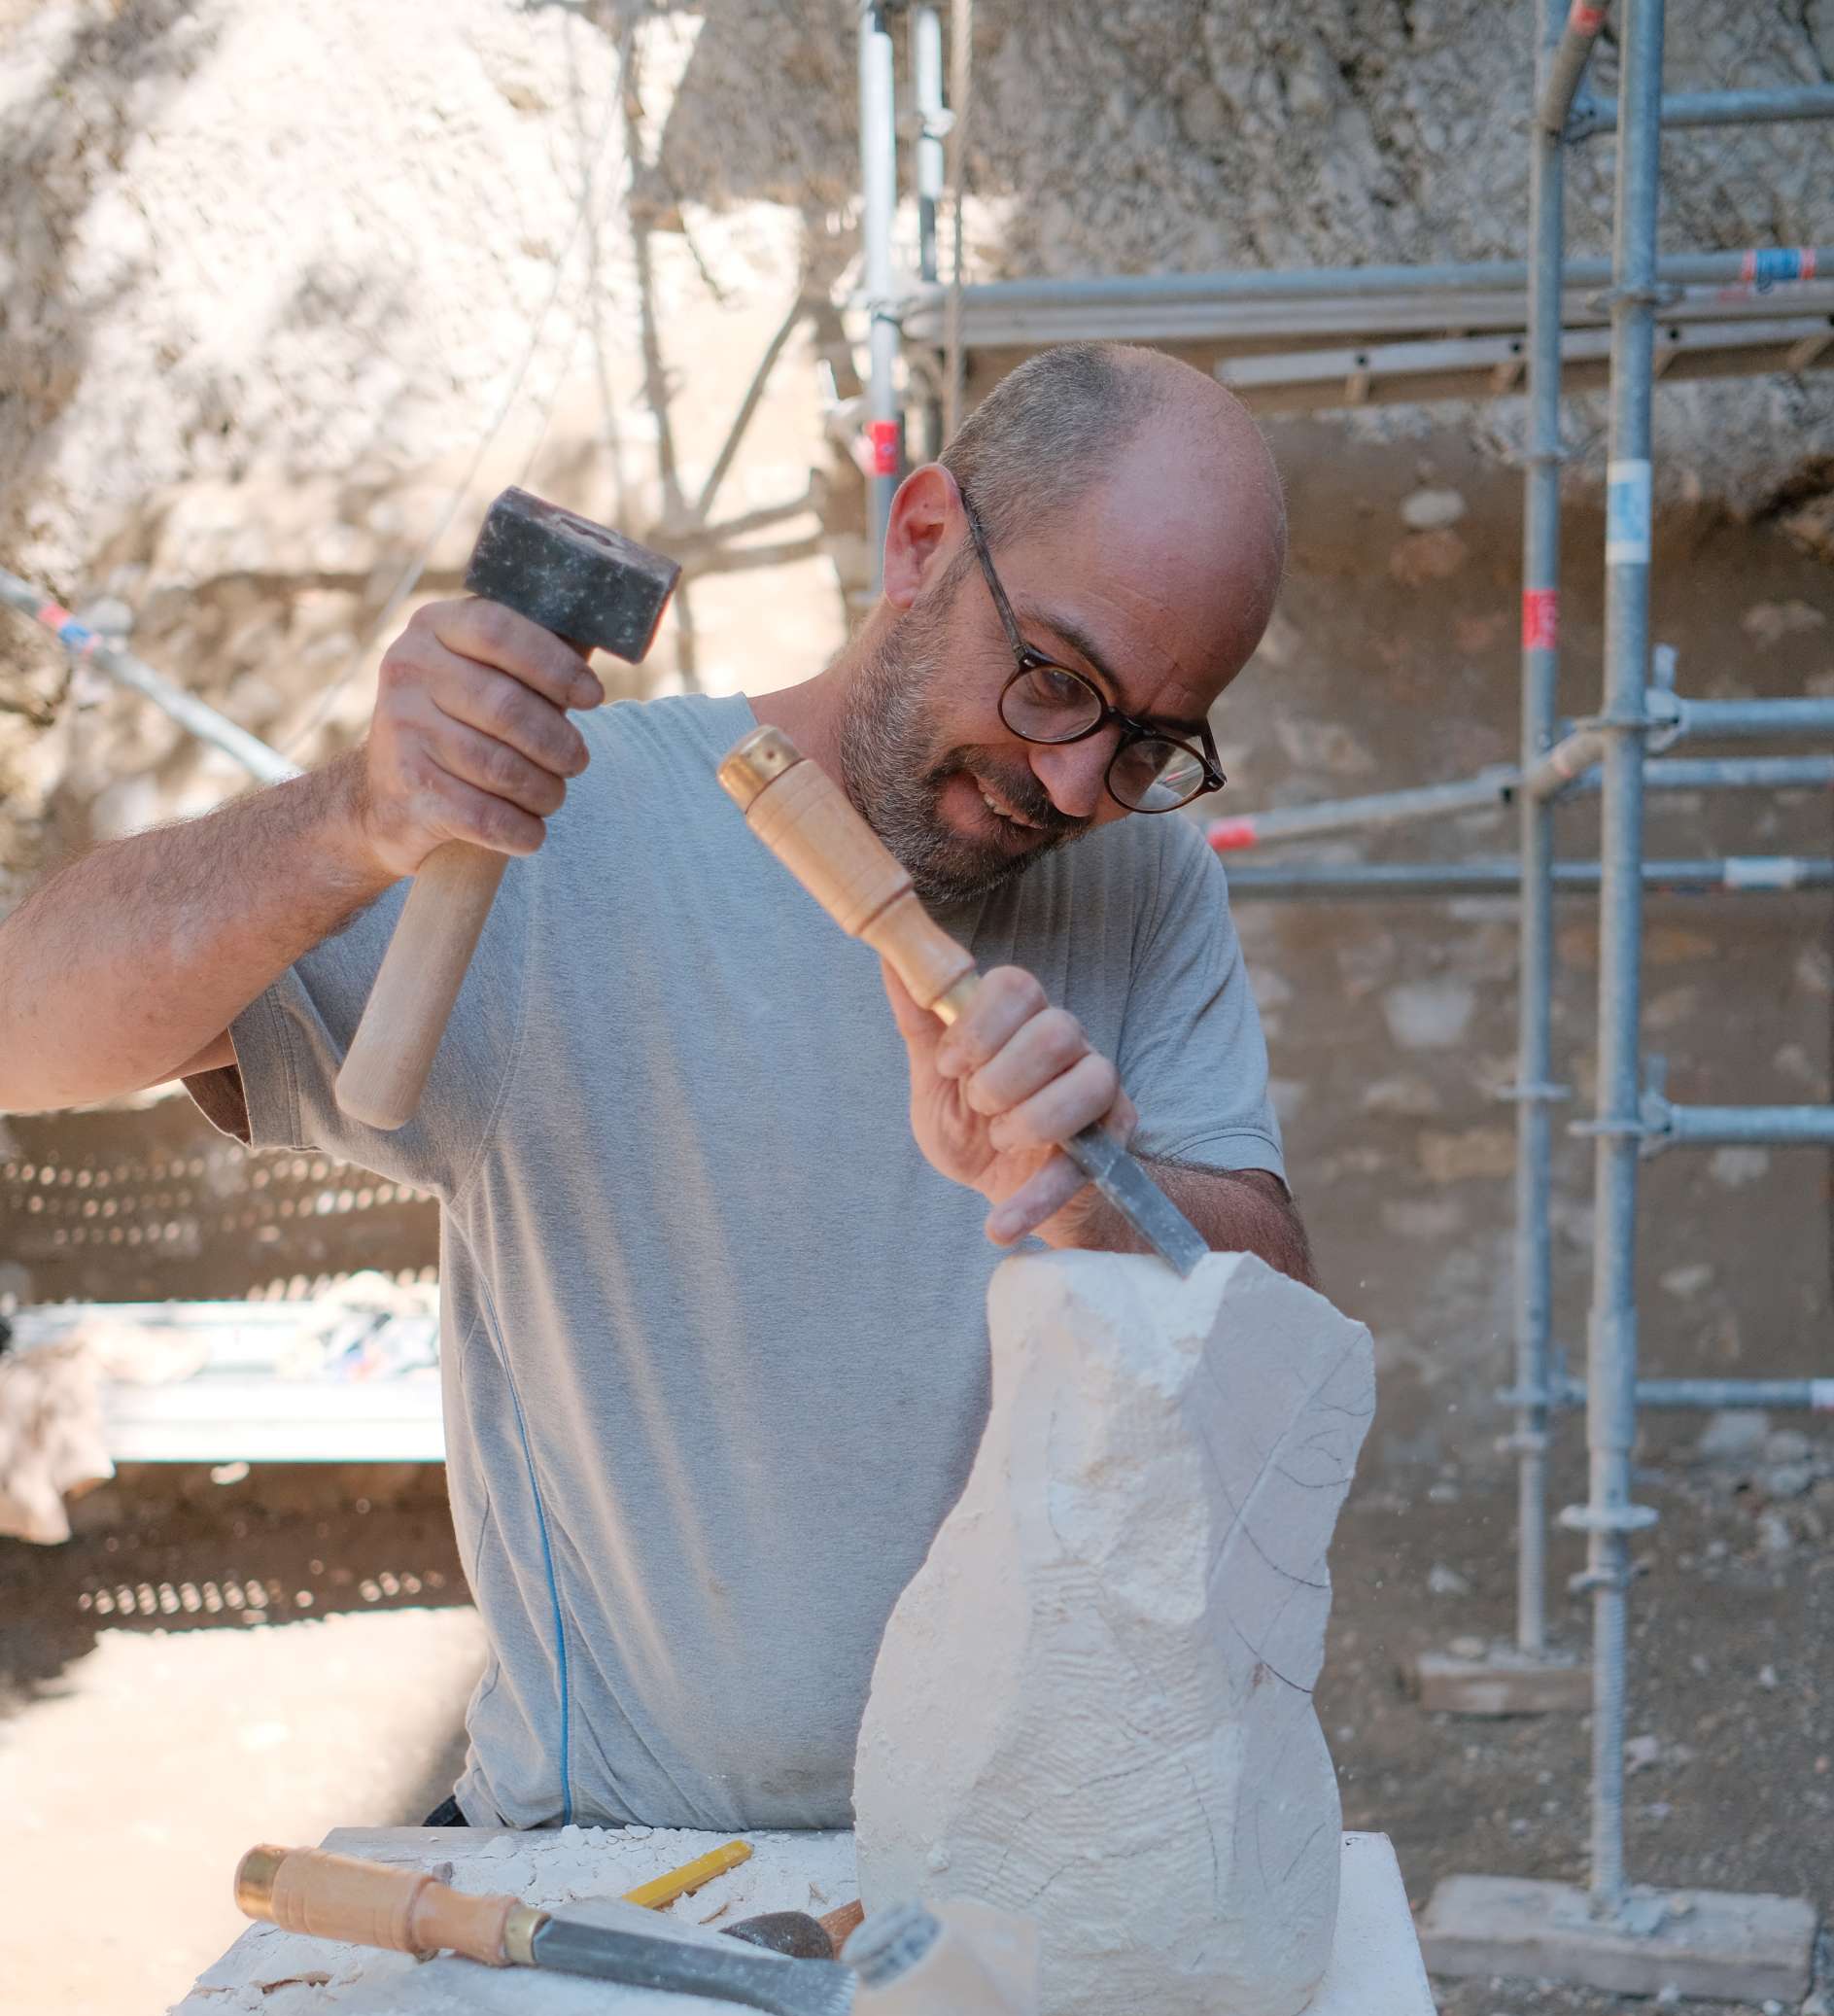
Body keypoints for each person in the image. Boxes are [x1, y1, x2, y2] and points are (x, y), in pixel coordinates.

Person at [0, 343, 1311, 1833]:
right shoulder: (567, 827)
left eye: (1151, 741)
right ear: (924, 538)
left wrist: (1089, 1193)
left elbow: (1273, 1323)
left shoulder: (1142, 880)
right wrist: (350, 823)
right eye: (1058, 683)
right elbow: (23, 1029)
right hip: (613, 1854)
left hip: (1028, 1843)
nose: (1076, 786)